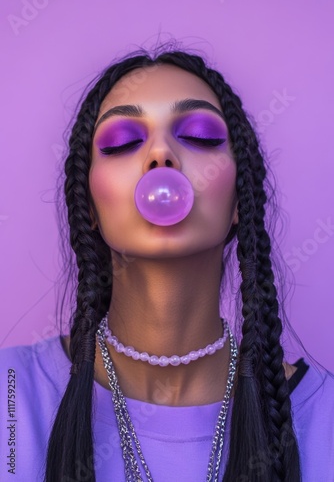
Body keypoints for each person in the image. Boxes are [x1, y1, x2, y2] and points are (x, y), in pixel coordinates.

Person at [0, 46, 333, 482]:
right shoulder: (11, 396)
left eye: (199, 136)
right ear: (91, 207)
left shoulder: (322, 415)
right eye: (121, 142)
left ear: (239, 199)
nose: (161, 155)